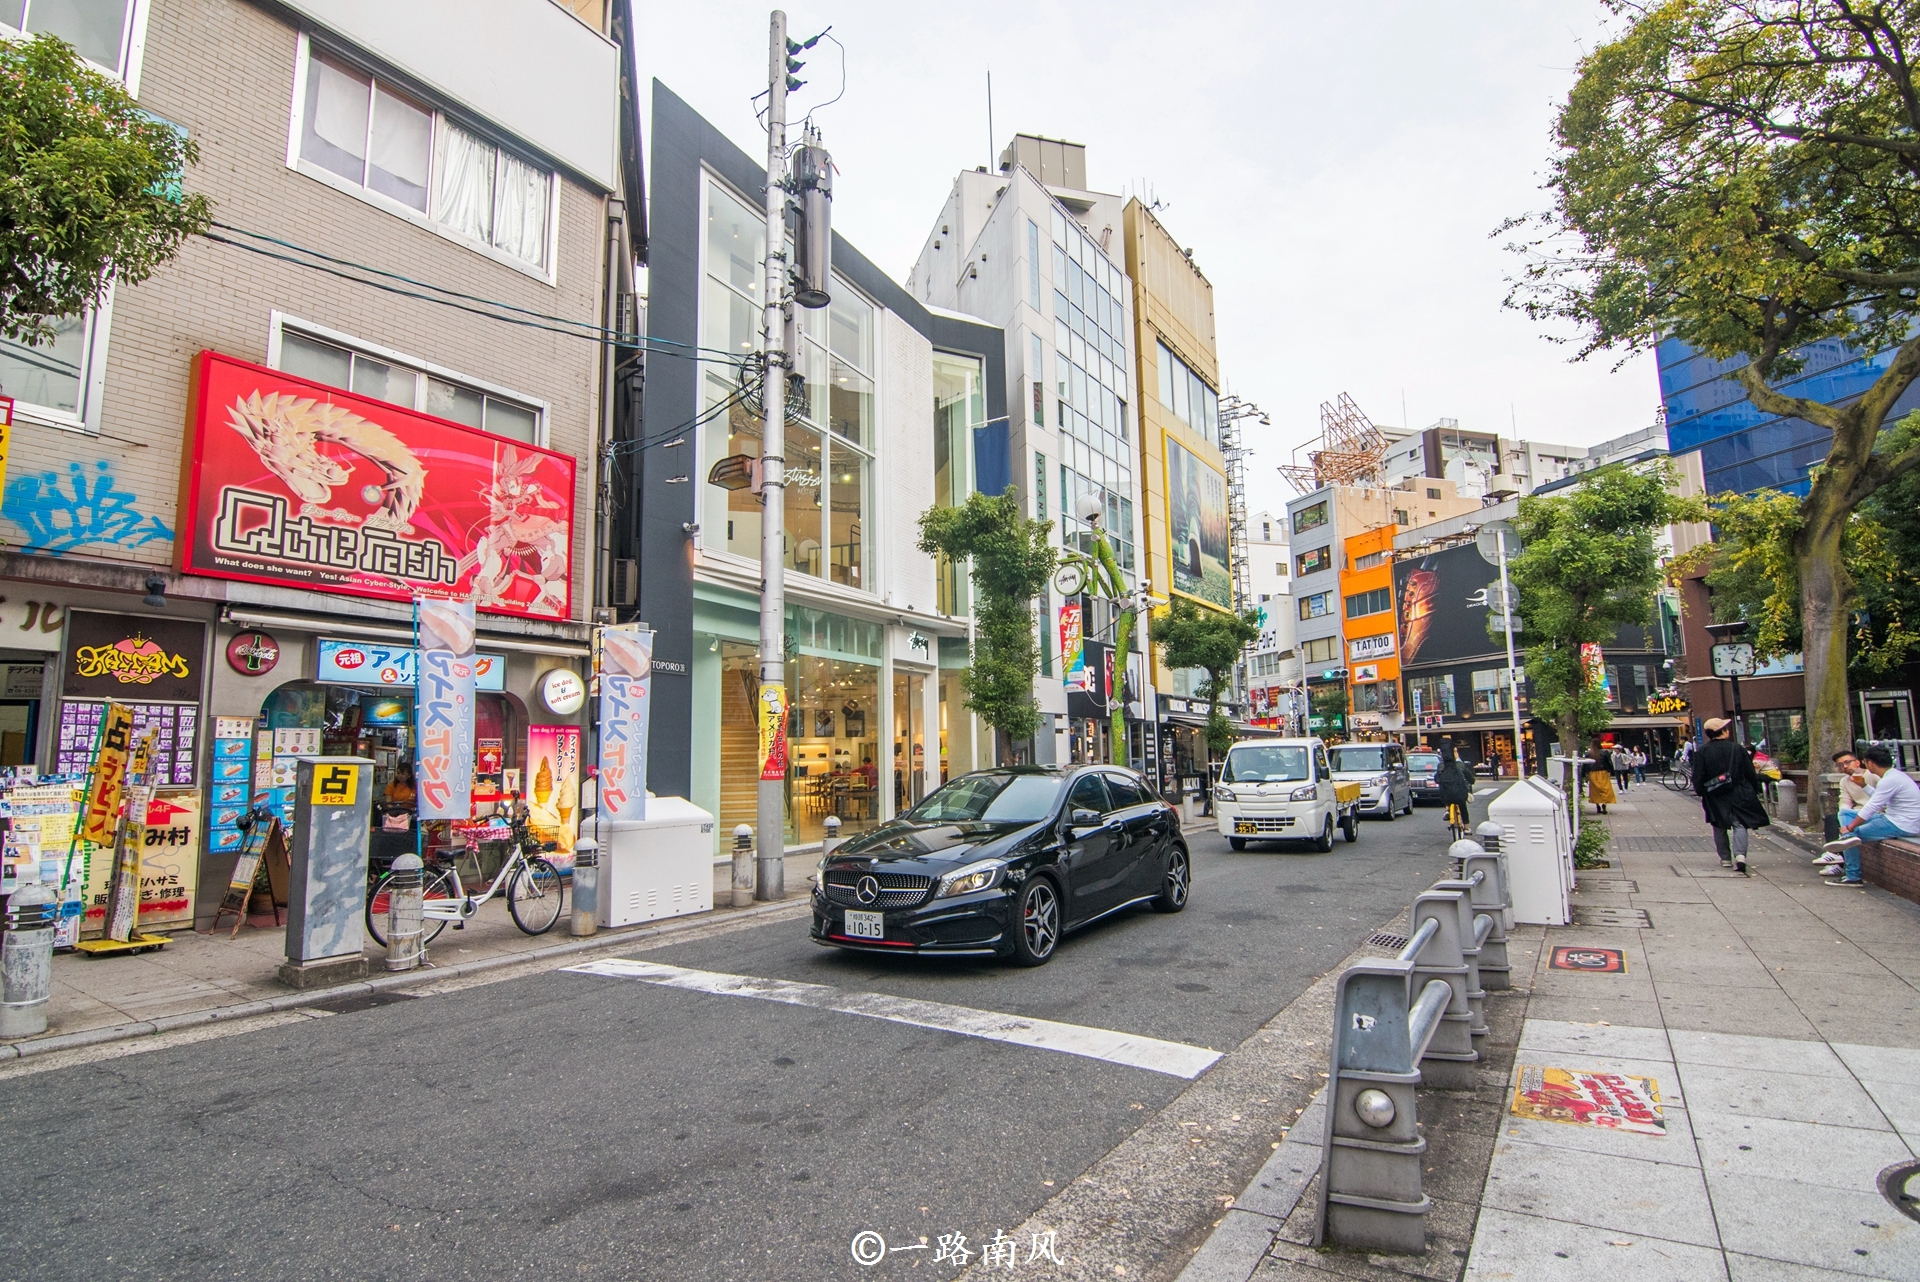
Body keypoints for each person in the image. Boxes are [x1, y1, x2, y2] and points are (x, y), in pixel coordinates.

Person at [1822, 743, 1920, 886]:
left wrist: (1850, 828)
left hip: (1901, 824)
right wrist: (1864, 786)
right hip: (1894, 818)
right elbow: (1879, 800)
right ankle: (1843, 845)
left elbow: (1872, 807)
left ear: (1870, 763)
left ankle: (1853, 876)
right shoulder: (1894, 776)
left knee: (1849, 838)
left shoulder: (1889, 780)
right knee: (1845, 812)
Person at [1692, 717, 1769, 874]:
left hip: (1714, 793)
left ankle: (1725, 858)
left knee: (1718, 824)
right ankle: (1740, 856)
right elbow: (1750, 773)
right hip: (1738, 790)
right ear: (1724, 731)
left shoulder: (1702, 752)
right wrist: (1753, 791)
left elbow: (1698, 776)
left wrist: (1701, 792)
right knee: (1739, 823)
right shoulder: (1737, 749)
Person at [1437, 745, 1473, 834]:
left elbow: (1436, 779)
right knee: (1463, 806)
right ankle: (1467, 827)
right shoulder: (1460, 765)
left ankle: (1447, 809)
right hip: (1459, 793)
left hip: (1445, 795)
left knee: (1445, 790)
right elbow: (1470, 779)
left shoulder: (1441, 766)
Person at [1587, 744, 1617, 814]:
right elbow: (1609, 762)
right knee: (1605, 789)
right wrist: (1610, 771)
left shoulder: (1589, 753)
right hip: (1603, 772)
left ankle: (1597, 805)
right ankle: (1604, 804)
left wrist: (1584, 773)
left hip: (1592, 773)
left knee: (1595, 790)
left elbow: (1586, 764)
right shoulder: (1604, 752)